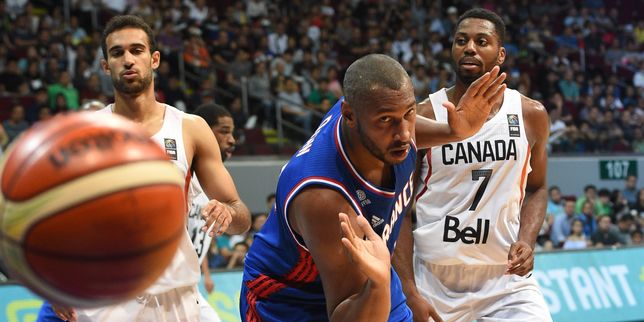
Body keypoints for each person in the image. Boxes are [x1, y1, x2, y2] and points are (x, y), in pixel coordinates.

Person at [240, 53, 505, 321]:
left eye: (409, 113)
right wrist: (379, 284)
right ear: (349, 116)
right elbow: (346, 315)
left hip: (367, 278)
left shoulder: (376, 121)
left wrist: (455, 133)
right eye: (386, 120)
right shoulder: (323, 198)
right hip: (288, 302)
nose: (404, 134)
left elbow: (400, 124)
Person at [37, 15, 251, 322]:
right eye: (117, 53)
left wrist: (228, 213)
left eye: (136, 50)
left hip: (177, 297)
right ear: (105, 66)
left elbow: (239, 215)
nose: (127, 60)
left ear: (154, 59)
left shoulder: (191, 129)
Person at [395, 9, 551, 321]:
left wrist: (527, 240)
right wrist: (409, 291)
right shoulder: (424, 116)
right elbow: (400, 208)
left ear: (501, 53)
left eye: (482, 41)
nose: (470, 48)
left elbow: (538, 188)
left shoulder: (530, 114)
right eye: (461, 41)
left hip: (505, 279)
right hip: (434, 278)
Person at [187, 102, 238, 322]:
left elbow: (199, 237)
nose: (232, 140)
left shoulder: (217, 185)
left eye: (233, 133)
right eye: (224, 131)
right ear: (203, 132)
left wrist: (204, 273)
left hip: (188, 284)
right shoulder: (183, 174)